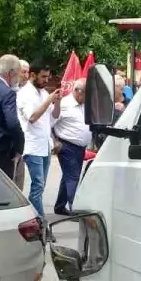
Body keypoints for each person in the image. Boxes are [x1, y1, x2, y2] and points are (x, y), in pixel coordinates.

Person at [17, 63, 61, 219]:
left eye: (48, 77)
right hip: (32, 146)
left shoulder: (43, 93)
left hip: (45, 146)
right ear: (32, 75)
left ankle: (36, 220)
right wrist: (49, 100)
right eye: (43, 76)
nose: (46, 80)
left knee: (40, 188)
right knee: (37, 187)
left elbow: (53, 118)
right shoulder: (24, 94)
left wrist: (57, 102)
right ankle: (40, 223)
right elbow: (33, 117)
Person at [52, 79, 91, 215]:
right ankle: (75, 208)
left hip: (80, 148)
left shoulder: (84, 104)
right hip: (67, 146)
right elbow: (50, 123)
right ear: (78, 91)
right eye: (87, 93)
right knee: (73, 177)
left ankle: (60, 206)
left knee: (68, 176)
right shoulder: (64, 104)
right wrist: (54, 141)